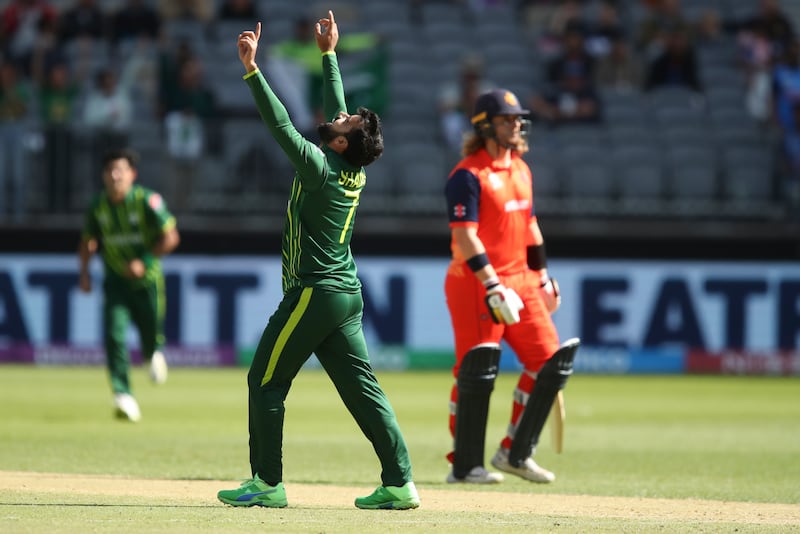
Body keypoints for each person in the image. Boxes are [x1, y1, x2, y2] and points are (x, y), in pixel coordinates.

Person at [216, 13, 419, 511]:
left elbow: (280, 125)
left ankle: (267, 482)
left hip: (316, 291)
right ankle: (400, 482)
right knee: (361, 390)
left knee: (264, 379)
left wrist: (252, 71)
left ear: (343, 142)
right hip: (345, 294)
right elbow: (337, 108)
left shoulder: (319, 167)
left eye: (344, 123)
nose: (339, 116)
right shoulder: (349, 168)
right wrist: (329, 55)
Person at [443, 88, 579, 484]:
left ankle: (515, 453)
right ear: (485, 126)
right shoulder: (467, 176)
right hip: (475, 283)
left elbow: (531, 228)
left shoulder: (521, 168)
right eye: (507, 119)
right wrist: (491, 283)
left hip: (522, 279)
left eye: (518, 119)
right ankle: (465, 464)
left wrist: (541, 278)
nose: (517, 125)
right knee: (476, 372)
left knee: (549, 362)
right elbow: (466, 238)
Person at [78, 148, 180, 422]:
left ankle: (152, 351)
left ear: (132, 174)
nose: (114, 176)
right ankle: (123, 394)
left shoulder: (147, 201)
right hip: (115, 283)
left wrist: (144, 261)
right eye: (109, 171)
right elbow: (89, 241)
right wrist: (85, 273)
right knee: (114, 335)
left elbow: (171, 236)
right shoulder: (97, 206)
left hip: (147, 283)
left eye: (119, 170)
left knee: (150, 335)